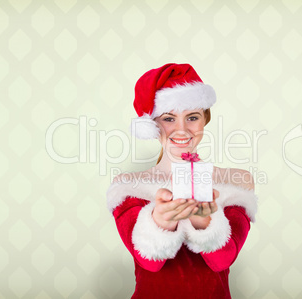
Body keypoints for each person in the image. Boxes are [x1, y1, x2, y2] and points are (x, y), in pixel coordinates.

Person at [106, 63, 258, 299]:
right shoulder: (129, 187)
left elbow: (222, 260)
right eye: (168, 118)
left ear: (205, 118)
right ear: (153, 125)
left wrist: (204, 222)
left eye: (192, 117)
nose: (181, 130)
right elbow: (150, 264)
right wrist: (160, 222)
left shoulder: (237, 182)